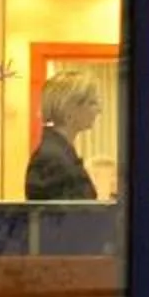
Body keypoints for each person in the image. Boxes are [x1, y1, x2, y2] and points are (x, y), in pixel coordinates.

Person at [25, 70, 104, 200]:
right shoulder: (52, 158)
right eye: (92, 103)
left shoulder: (59, 152)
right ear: (69, 108)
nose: (99, 110)